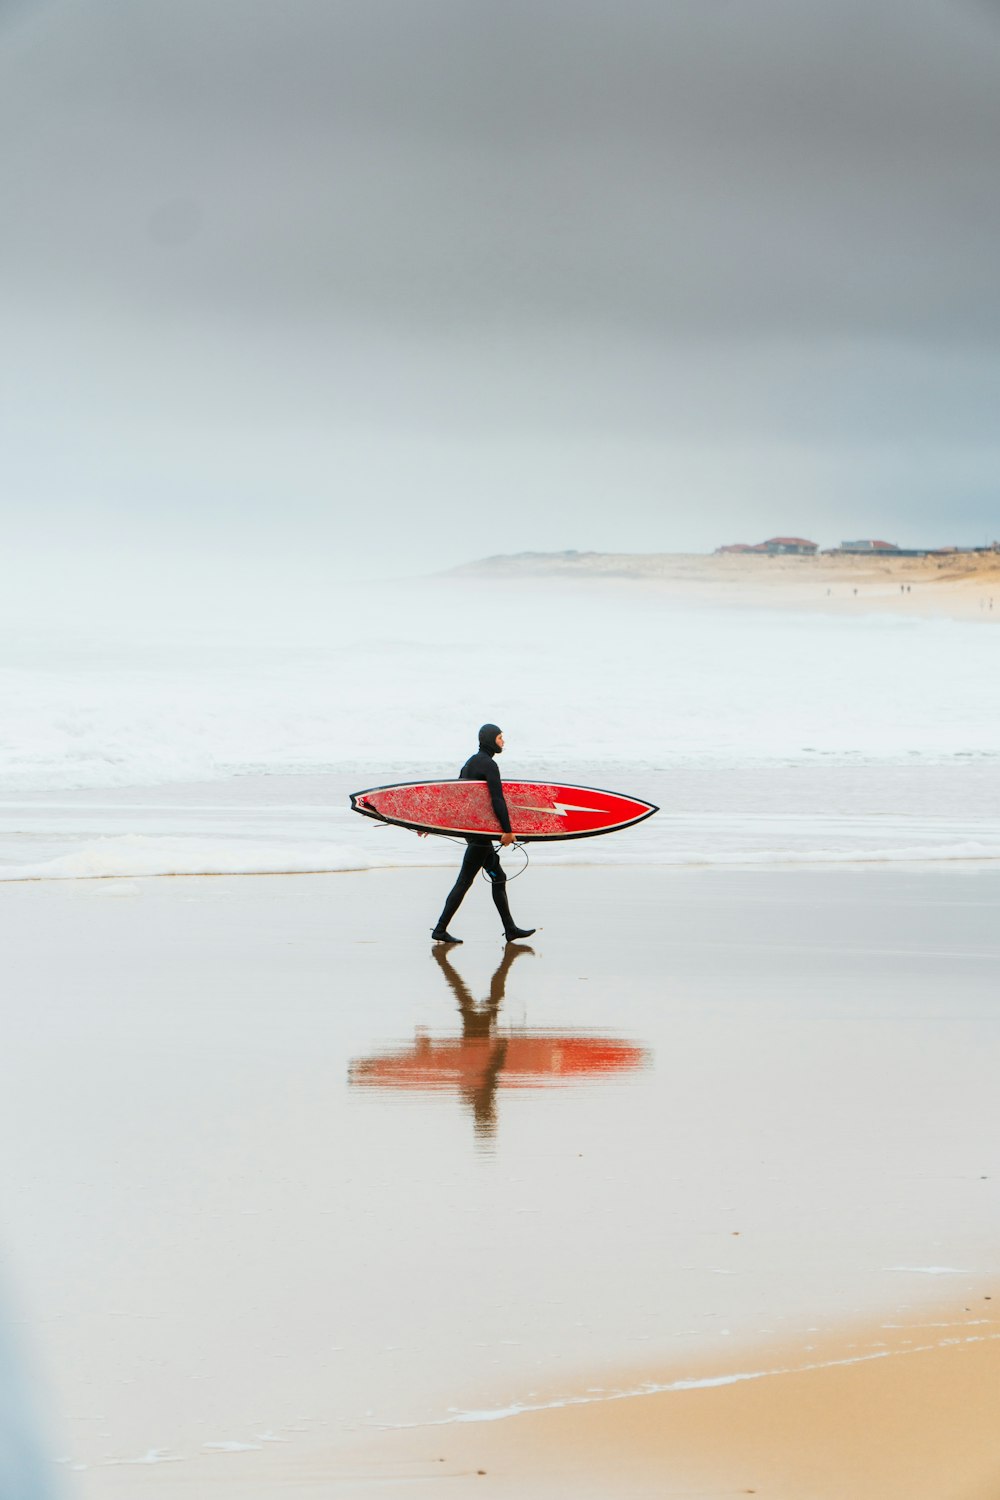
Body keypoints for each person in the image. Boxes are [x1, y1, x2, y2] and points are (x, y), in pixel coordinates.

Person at [431, 723, 535, 944]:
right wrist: (507, 831)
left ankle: (510, 929)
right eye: (499, 738)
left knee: (498, 876)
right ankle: (440, 929)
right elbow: (497, 800)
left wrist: (434, 823)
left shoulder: (470, 762)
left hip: (474, 833)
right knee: (464, 881)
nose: (503, 742)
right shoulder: (489, 765)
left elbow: (456, 798)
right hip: (479, 837)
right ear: (490, 740)